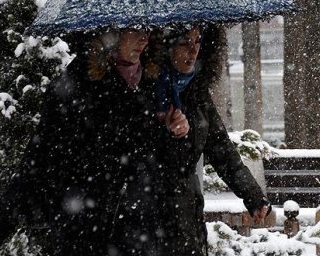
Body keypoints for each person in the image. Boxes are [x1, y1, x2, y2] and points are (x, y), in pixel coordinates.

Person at [109, 24, 271, 256]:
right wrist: (168, 133)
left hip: (186, 218)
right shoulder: (139, 88)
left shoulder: (196, 92)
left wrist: (253, 196)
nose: (193, 50)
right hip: (143, 221)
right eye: (185, 42)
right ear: (166, 47)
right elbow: (131, 154)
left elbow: (222, 151)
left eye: (198, 41)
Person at [0, 28, 157, 255]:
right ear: (110, 33)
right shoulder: (78, 85)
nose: (145, 38)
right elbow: (38, 159)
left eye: (148, 30)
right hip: (84, 231)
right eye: (134, 30)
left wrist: (170, 126)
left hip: (134, 235)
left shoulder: (150, 84)